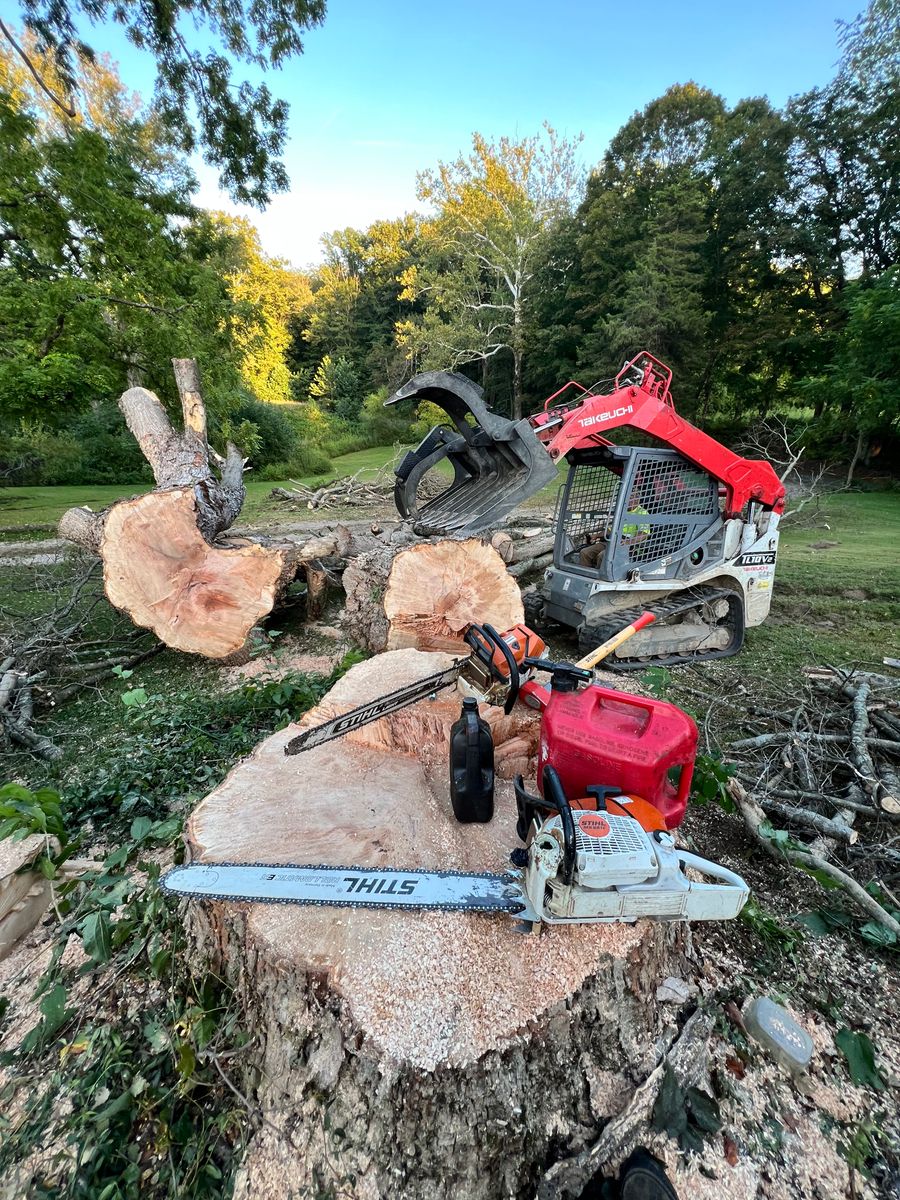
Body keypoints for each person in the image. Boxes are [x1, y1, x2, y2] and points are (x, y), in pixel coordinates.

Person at [578, 495, 651, 567]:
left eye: (632, 497)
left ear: (637, 500)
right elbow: (610, 530)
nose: (629, 500)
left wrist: (628, 542)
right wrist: (596, 536)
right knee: (584, 552)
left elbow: (644, 534)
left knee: (603, 556)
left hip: (625, 546)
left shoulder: (642, 513)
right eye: (629, 497)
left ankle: (600, 574)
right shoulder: (621, 511)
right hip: (611, 542)